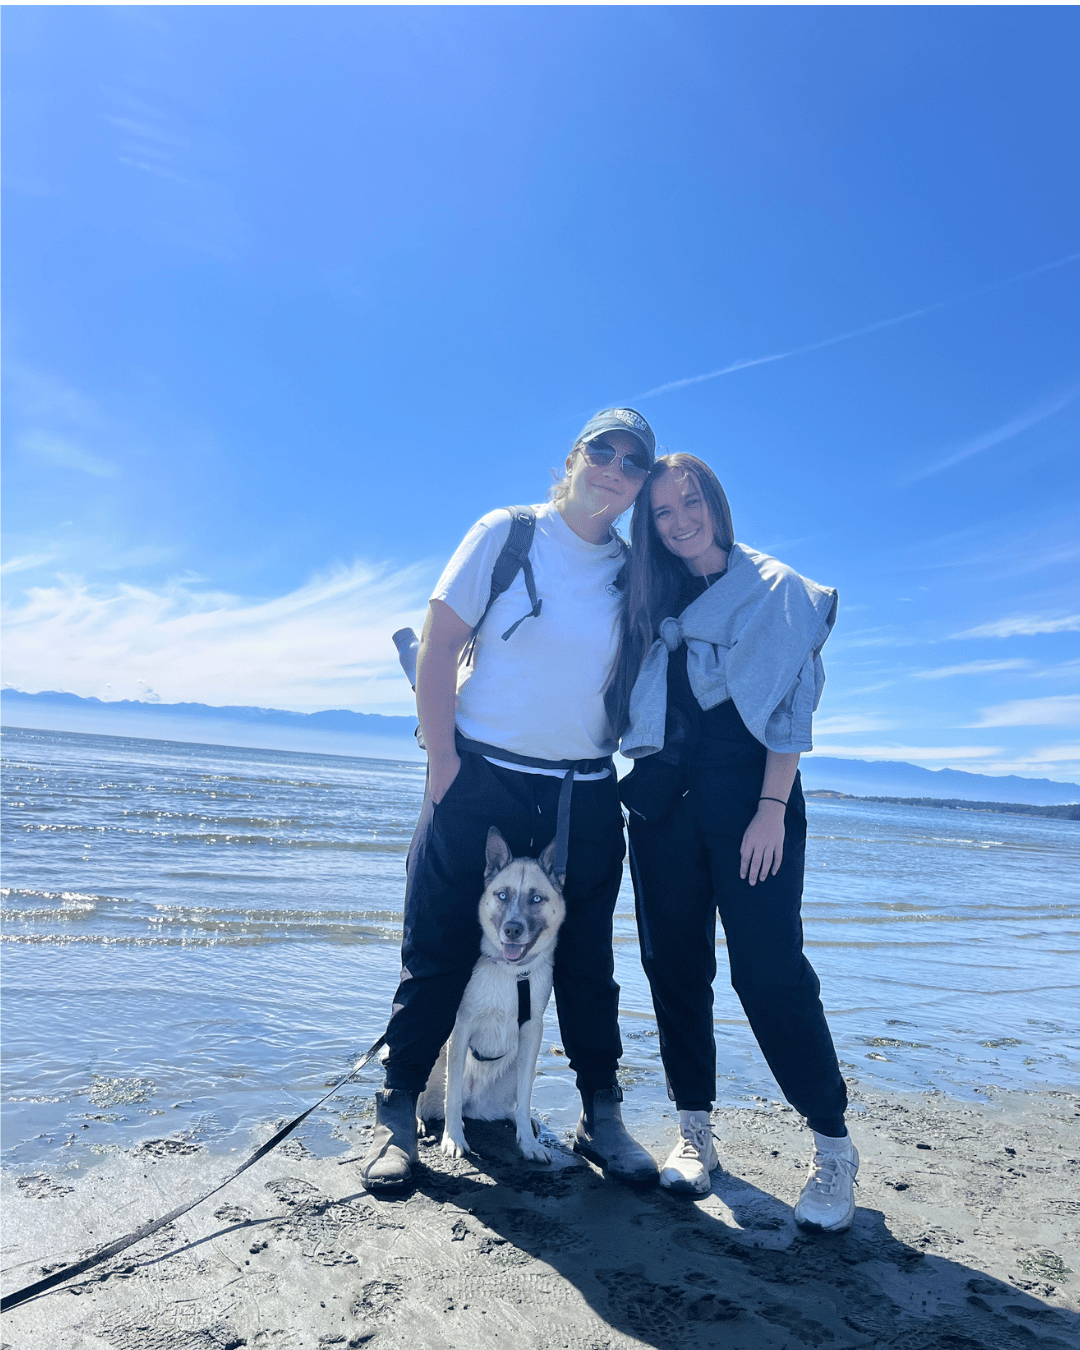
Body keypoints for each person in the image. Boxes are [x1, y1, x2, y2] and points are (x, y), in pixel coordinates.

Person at [360, 408, 661, 1193]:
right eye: (603, 451)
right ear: (573, 456)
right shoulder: (508, 534)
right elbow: (438, 642)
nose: (615, 469)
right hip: (482, 774)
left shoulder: (635, 573)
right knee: (436, 948)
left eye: (633, 462)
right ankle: (398, 1110)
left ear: (640, 485)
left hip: (582, 790)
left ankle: (602, 1114)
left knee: (587, 963)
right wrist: (443, 763)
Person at [608, 453, 858, 1231]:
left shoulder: (772, 588)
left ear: (715, 504)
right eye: (662, 512)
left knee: (770, 973)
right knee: (673, 966)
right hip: (661, 806)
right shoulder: (649, 596)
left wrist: (772, 809)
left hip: (752, 802)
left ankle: (832, 1147)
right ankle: (695, 1133)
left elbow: (791, 708)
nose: (680, 521)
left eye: (691, 503)